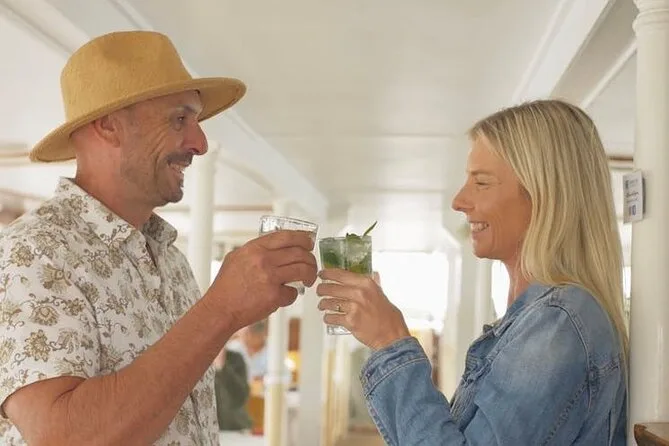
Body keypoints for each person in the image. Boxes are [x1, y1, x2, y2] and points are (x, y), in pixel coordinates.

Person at [0, 31, 317, 445]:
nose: (200, 144)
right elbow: (63, 437)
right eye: (179, 119)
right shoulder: (32, 253)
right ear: (109, 125)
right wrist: (222, 310)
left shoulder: (171, 260)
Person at [317, 99, 628, 445]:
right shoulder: (534, 320)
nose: (459, 201)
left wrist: (389, 339)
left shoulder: (558, 324)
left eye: (481, 183)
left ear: (543, 194)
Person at [213, 347, 253, 431]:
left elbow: (242, 396)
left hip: (235, 426)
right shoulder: (196, 360)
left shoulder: (235, 358)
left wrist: (222, 367)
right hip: (209, 428)